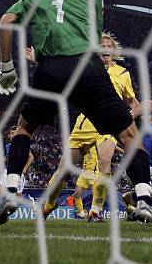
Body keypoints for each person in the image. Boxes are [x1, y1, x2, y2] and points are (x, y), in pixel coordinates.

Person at [0, 0, 152, 229]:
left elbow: (5, 22)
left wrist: (6, 67)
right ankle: (143, 201)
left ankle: (11, 190)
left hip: (49, 69)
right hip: (86, 67)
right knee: (129, 136)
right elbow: (90, 31)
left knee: (24, 128)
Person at [28, 32, 137, 222]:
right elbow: (61, 73)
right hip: (85, 123)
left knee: (105, 160)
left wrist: (141, 113)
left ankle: (95, 211)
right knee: (63, 170)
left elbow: (131, 101)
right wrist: (39, 60)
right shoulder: (87, 67)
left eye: (107, 46)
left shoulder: (122, 74)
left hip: (108, 125)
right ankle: (49, 203)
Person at [0, 128, 35, 198]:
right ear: (9, 136)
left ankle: (26, 202)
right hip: (8, 170)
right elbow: (8, 156)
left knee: (18, 195)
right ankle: (1, 207)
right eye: (12, 133)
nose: (13, 135)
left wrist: (25, 169)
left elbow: (31, 157)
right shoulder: (8, 146)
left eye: (15, 133)